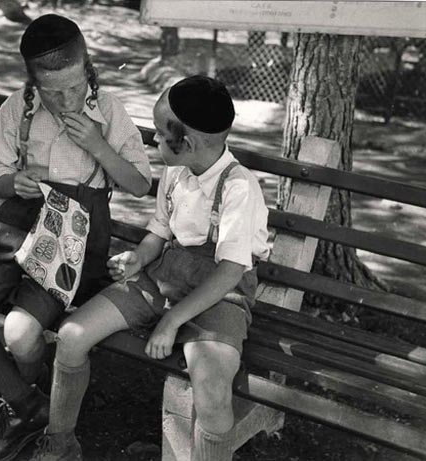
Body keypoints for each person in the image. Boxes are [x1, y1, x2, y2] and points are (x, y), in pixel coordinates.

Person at [0, 14, 152, 461]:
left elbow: (138, 184)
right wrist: (9, 183)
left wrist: (98, 146)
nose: (66, 99)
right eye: (52, 91)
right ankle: (27, 403)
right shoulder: (20, 106)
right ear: (32, 80)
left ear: (87, 66)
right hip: (17, 223)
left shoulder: (108, 110)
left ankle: (18, 394)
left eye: (75, 87)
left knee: (19, 332)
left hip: (72, 235)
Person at [31, 75, 270, 461]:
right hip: (165, 277)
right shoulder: (176, 173)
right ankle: (60, 442)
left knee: (210, 390)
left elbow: (229, 272)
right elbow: (160, 230)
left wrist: (172, 320)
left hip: (219, 293)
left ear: (187, 143)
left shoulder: (238, 187)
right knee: (72, 335)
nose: (154, 140)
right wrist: (139, 257)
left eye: (160, 134)